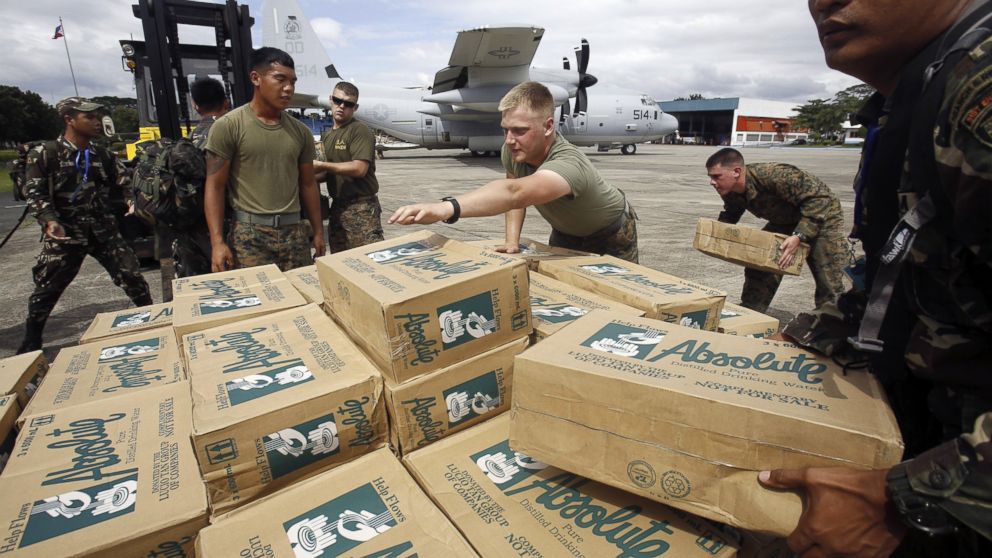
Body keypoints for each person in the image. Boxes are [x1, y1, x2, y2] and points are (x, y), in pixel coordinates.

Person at [761, 1, 992, 557]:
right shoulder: (915, 95)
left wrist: (907, 498)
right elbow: (912, 269)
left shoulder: (978, 93)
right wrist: (811, 333)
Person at [388, 81, 639, 263]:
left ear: (548, 126)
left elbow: (515, 193)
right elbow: (516, 201)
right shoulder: (514, 151)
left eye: (520, 130)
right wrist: (511, 241)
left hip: (612, 233)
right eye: (505, 129)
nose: (509, 140)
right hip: (566, 232)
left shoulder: (569, 163)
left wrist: (445, 208)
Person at [17, 97, 152, 353]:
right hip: (66, 233)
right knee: (48, 288)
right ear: (69, 120)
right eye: (88, 117)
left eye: (97, 116)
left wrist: (131, 201)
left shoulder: (100, 154)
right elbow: (34, 192)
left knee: (131, 276)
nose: (97, 122)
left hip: (103, 230)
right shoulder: (47, 154)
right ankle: (32, 339)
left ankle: (157, 319)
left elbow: (123, 180)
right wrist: (49, 221)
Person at [204, 47, 326, 272]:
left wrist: (318, 232)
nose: (288, 88)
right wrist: (217, 242)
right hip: (250, 237)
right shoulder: (228, 126)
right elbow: (215, 186)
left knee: (303, 300)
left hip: (294, 233)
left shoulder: (300, 132)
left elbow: (308, 184)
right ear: (255, 78)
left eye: (292, 81)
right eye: (280, 79)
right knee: (259, 300)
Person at [705, 148, 847, 312]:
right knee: (759, 263)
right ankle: (752, 312)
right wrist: (719, 231)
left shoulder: (775, 175)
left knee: (827, 275)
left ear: (736, 172)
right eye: (710, 177)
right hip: (784, 220)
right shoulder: (729, 189)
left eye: (716, 176)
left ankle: (832, 324)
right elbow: (732, 210)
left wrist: (799, 236)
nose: (712, 182)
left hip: (821, 217)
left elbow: (820, 200)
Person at [312, 81, 385, 253]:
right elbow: (326, 173)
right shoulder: (328, 135)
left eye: (348, 104)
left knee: (370, 259)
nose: (341, 106)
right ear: (331, 100)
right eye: (338, 100)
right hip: (337, 207)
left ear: (355, 107)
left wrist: (322, 165)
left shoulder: (359, 130)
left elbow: (359, 169)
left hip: (361, 207)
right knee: (340, 260)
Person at [171, 76, 230, 277]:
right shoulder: (230, 135)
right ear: (226, 103)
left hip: (191, 228)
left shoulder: (186, 141)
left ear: (195, 107)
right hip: (225, 225)